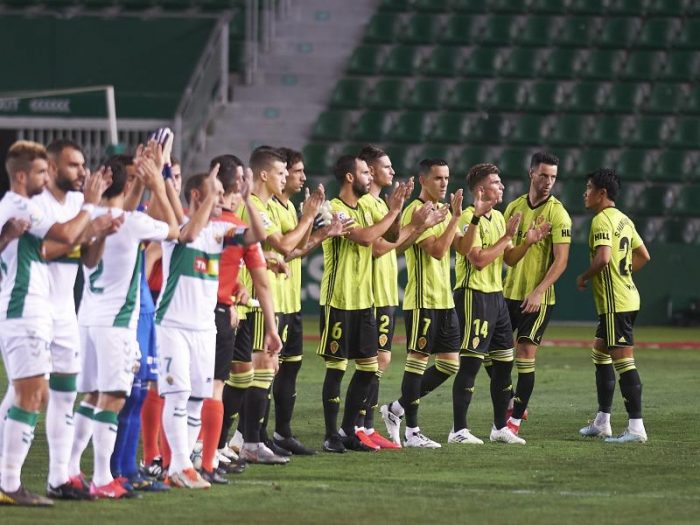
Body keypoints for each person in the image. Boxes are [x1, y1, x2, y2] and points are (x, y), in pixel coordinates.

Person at [0, 140, 110, 506]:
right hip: (29, 306)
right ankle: (9, 482)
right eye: (44, 171)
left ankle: (58, 476)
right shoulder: (26, 204)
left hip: (58, 311)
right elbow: (59, 239)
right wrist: (91, 213)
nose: (81, 172)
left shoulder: (29, 206)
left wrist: (97, 230)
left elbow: (84, 251)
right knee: (29, 393)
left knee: (48, 392)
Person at [71, 144, 181, 498]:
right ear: (128, 182)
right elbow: (177, 230)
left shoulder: (90, 216)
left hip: (87, 318)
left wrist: (141, 181)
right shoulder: (132, 222)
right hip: (117, 323)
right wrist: (159, 184)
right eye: (134, 179)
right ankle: (103, 479)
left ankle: (70, 469)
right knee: (114, 397)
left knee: (90, 396)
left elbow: (126, 204)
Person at [451, 163, 548, 446]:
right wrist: (507, 237)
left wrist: (527, 242)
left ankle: (498, 428)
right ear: (481, 189)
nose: (502, 186)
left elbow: (509, 258)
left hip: (496, 298)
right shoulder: (468, 218)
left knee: (505, 365)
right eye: (496, 182)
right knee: (470, 364)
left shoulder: (496, 217)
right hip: (474, 295)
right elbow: (478, 260)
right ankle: (458, 429)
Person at [319, 155, 409, 453]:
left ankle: (348, 429)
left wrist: (396, 214)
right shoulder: (335, 209)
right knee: (336, 369)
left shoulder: (367, 208)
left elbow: (391, 235)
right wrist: (393, 210)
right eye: (363, 172)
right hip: (338, 300)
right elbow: (366, 237)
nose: (369, 177)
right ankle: (332, 434)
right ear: (348, 177)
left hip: (364, 301)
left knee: (370, 368)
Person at [355, 145, 442, 450]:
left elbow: (396, 246)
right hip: (371, 292)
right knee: (371, 361)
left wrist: (416, 227)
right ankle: (359, 425)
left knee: (380, 359)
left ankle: (365, 425)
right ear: (370, 170)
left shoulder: (381, 204)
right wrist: (416, 225)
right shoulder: (367, 204)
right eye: (386, 167)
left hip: (386, 290)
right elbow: (379, 248)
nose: (392, 172)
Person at [380, 158, 460, 449]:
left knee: (450, 364)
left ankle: (396, 409)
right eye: (438, 178)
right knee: (417, 363)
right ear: (423, 180)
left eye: (447, 178)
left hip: (444, 298)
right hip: (423, 298)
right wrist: (454, 220)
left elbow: (460, 246)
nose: (444, 183)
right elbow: (439, 251)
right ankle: (413, 432)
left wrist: (470, 217)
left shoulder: (442, 210)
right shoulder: (419, 210)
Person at [577, 168, 650, 443]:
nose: (585, 193)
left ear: (601, 193)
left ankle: (636, 429)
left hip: (615, 303)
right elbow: (644, 255)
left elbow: (604, 258)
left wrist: (584, 276)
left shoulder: (601, 220)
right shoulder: (624, 219)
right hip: (628, 296)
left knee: (624, 363)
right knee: (600, 352)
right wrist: (625, 274)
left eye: (588, 188)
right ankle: (602, 421)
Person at [502, 152, 572, 435]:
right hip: (508, 294)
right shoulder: (514, 208)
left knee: (525, 354)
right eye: (543, 175)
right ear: (531, 173)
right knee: (494, 355)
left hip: (538, 298)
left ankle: (514, 422)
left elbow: (562, 260)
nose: (548, 182)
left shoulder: (558, 213)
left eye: (553, 177)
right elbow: (507, 257)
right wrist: (527, 243)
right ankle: (511, 398)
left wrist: (538, 291)